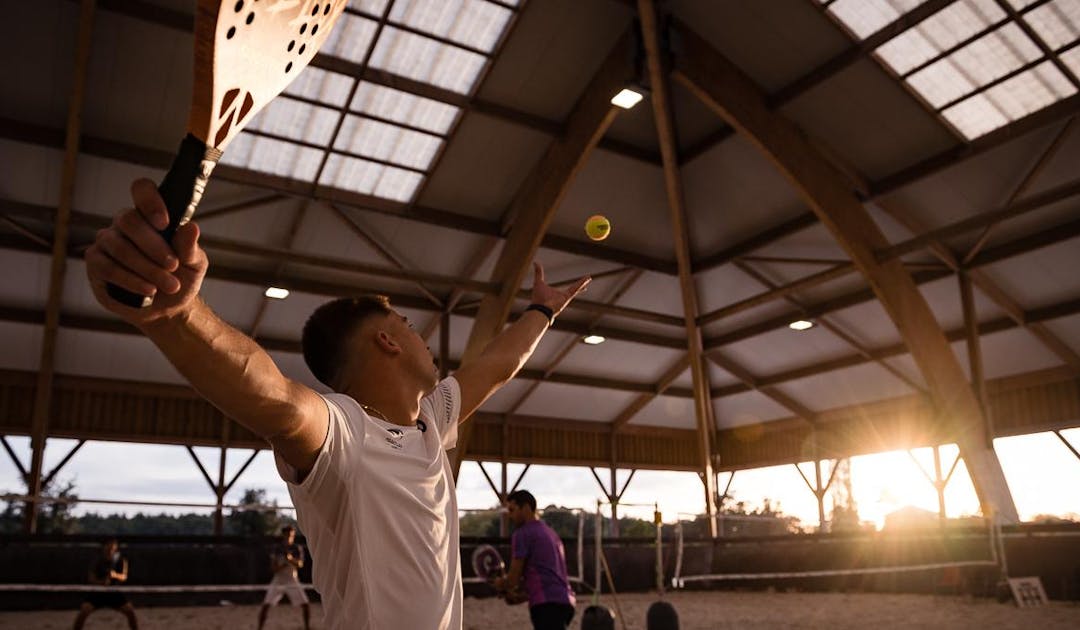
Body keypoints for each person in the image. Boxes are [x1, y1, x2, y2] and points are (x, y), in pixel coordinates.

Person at [84, 179, 590, 630]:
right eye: (411, 329)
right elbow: (275, 396)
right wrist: (176, 314)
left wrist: (543, 309)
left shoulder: (431, 422)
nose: (424, 341)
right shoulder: (344, 430)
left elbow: (497, 366)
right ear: (389, 342)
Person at [494, 490, 576, 630]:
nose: (510, 515)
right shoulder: (551, 533)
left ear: (525, 507)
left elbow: (513, 579)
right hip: (566, 602)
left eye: (512, 510)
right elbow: (549, 576)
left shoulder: (522, 534)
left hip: (546, 606)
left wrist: (502, 584)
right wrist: (520, 596)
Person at [73, 539, 138, 630]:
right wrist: (101, 583)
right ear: (104, 547)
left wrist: (114, 575)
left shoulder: (121, 560)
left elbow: (124, 577)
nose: (110, 549)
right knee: (84, 611)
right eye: (108, 546)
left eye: (112, 546)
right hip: (98, 593)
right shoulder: (97, 560)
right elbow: (91, 578)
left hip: (113, 592)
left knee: (130, 612)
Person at [258, 525, 310, 630]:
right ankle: (259, 628)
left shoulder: (296, 548)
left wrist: (290, 559)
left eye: (292, 535)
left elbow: (300, 564)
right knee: (266, 605)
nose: (290, 537)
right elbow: (273, 568)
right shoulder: (277, 549)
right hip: (279, 579)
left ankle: (307, 627)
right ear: (283, 535)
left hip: (292, 579)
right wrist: (282, 565)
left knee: (305, 605)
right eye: (287, 535)